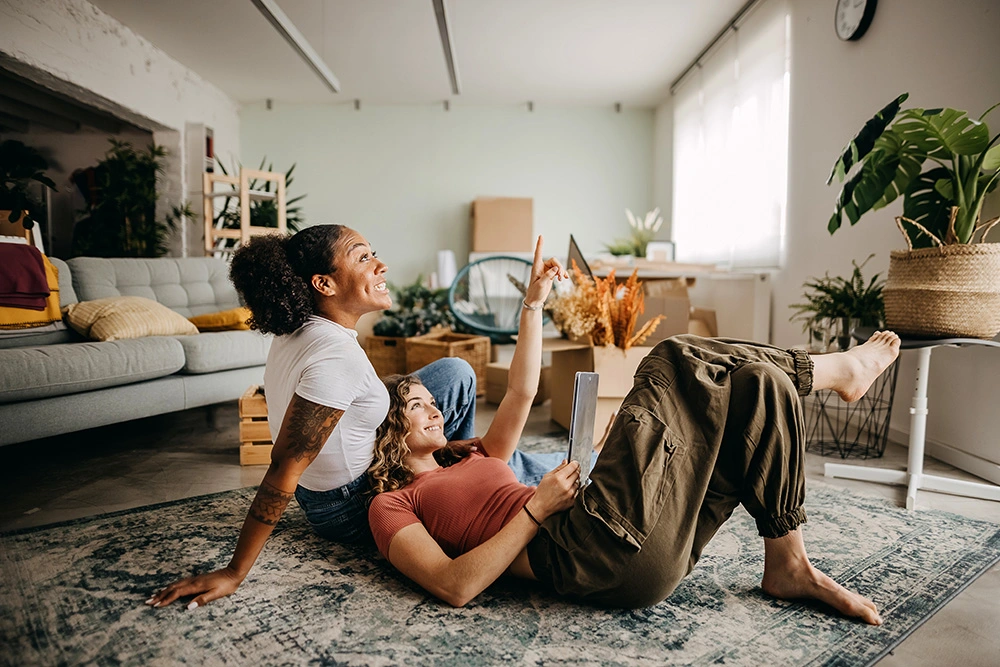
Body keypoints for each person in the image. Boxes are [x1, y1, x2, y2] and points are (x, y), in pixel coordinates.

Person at [367, 237, 900, 625]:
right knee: (671, 356)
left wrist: (534, 303)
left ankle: (788, 564)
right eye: (417, 405)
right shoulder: (392, 505)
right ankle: (832, 372)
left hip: (639, 543)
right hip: (586, 550)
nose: (436, 410)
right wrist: (537, 508)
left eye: (433, 402)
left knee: (759, 386)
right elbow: (453, 586)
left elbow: (521, 392)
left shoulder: (473, 454)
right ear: (390, 430)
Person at [146, 225, 560, 610]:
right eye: (362, 258)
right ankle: (464, 493)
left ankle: (453, 472)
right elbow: (284, 469)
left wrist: (440, 446)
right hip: (346, 504)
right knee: (506, 461)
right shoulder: (335, 358)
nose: (380, 265)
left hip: (344, 473)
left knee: (455, 375)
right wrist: (234, 572)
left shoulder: (303, 326)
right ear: (323, 284)